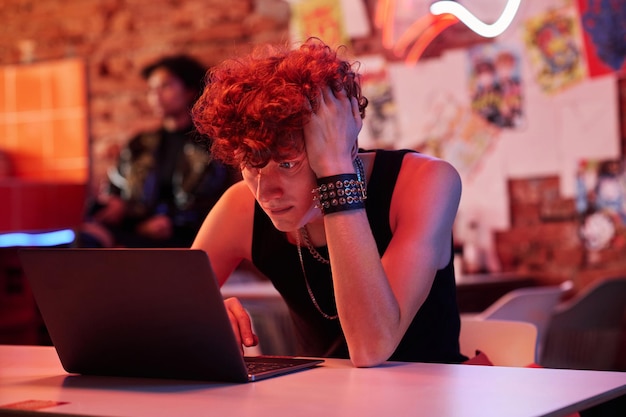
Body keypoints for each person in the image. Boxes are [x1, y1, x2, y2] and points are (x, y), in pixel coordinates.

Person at [191, 38, 465, 367]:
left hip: (432, 398)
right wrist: (200, 315)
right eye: (252, 165)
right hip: (319, 400)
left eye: (287, 164)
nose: (266, 192)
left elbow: (371, 347)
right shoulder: (240, 206)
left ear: (345, 145)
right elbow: (158, 312)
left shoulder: (425, 182)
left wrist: (336, 170)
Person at [79, 55, 238, 248]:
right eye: (152, 89)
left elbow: (212, 201)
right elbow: (116, 187)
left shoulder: (209, 145)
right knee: (84, 235)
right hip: (136, 228)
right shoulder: (140, 144)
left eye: (165, 86)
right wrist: (115, 203)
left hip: (183, 233)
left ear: (189, 91)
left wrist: (170, 221)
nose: (156, 95)